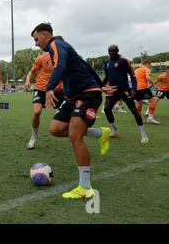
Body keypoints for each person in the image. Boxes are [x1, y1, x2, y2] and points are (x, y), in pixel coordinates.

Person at [32, 23, 115, 199]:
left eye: (36, 39)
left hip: (87, 95)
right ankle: (100, 133)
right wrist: (103, 85)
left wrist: (49, 88)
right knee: (55, 129)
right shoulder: (62, 47)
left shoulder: (56, 45)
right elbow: (88, 67)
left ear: (45, 34)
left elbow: (59, 67)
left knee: (75, 136)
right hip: (72, 96)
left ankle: (85, 187)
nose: (35, 43)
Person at [102, 45, 149, 143]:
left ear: (117, 51)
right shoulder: (107, 62)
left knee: (133, 110)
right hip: (112, 90)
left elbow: (133, 76)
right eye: (109, 51)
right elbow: (107, 77)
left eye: (113, 51)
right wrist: (101, 85)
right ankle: (114, 131)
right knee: (106, 109)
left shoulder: (123, 61)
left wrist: (134, 90)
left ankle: (144, 135)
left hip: (125, 90)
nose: (111, 53)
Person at [24, 51, 64, 149]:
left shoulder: (63, 57)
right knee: (37, 111)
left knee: (66, 114)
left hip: (57, 90)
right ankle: (33, 137)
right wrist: (27, 81)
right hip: (40, 89)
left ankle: (73, 135)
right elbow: (31, 71)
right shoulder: (42, 57)